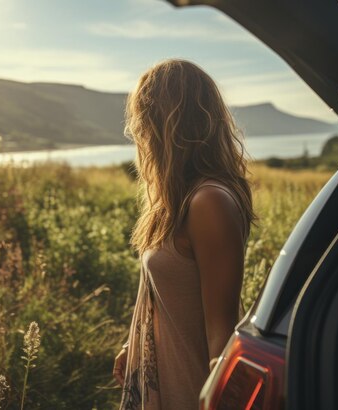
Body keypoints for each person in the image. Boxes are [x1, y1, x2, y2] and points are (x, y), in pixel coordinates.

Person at [113, 59, 256, 410]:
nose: (140, 132)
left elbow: (221, 332)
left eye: (144, 119)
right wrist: (136, 344)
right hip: (164, 378)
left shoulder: (209, 202)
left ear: (167, 123)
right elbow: (171, 290)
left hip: (191, 391)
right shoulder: (173, 200)